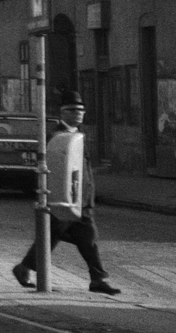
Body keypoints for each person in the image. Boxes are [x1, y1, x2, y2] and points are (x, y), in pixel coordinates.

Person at [12, 96, 120, 295]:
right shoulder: (55, 136)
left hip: (82, 200)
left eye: (81, 110)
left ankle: (98, 279)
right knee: (51, 236)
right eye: (72, 110)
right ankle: (25, 267)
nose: (78, 114)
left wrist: (89, 195)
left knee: (88, 240)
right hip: (63, 197)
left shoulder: (79, 134)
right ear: (63, 113)